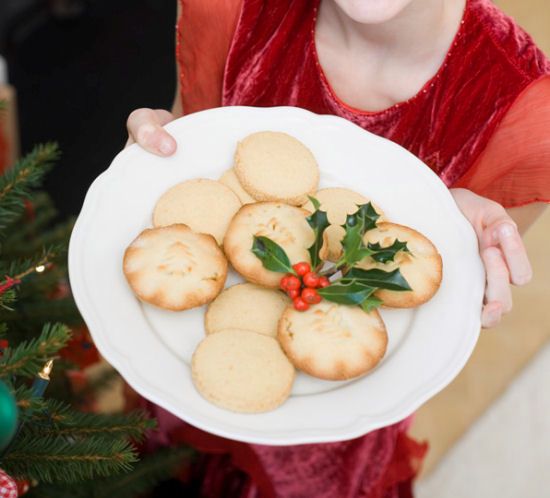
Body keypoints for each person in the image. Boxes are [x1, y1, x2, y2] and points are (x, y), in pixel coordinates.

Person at [125, 0, 550, 496]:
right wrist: (153, 158)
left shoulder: (523, 117)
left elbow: (432, 311)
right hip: (180, 378)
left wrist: (454, 239)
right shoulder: (228, 10)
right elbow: (190, 181)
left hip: (326, 456)